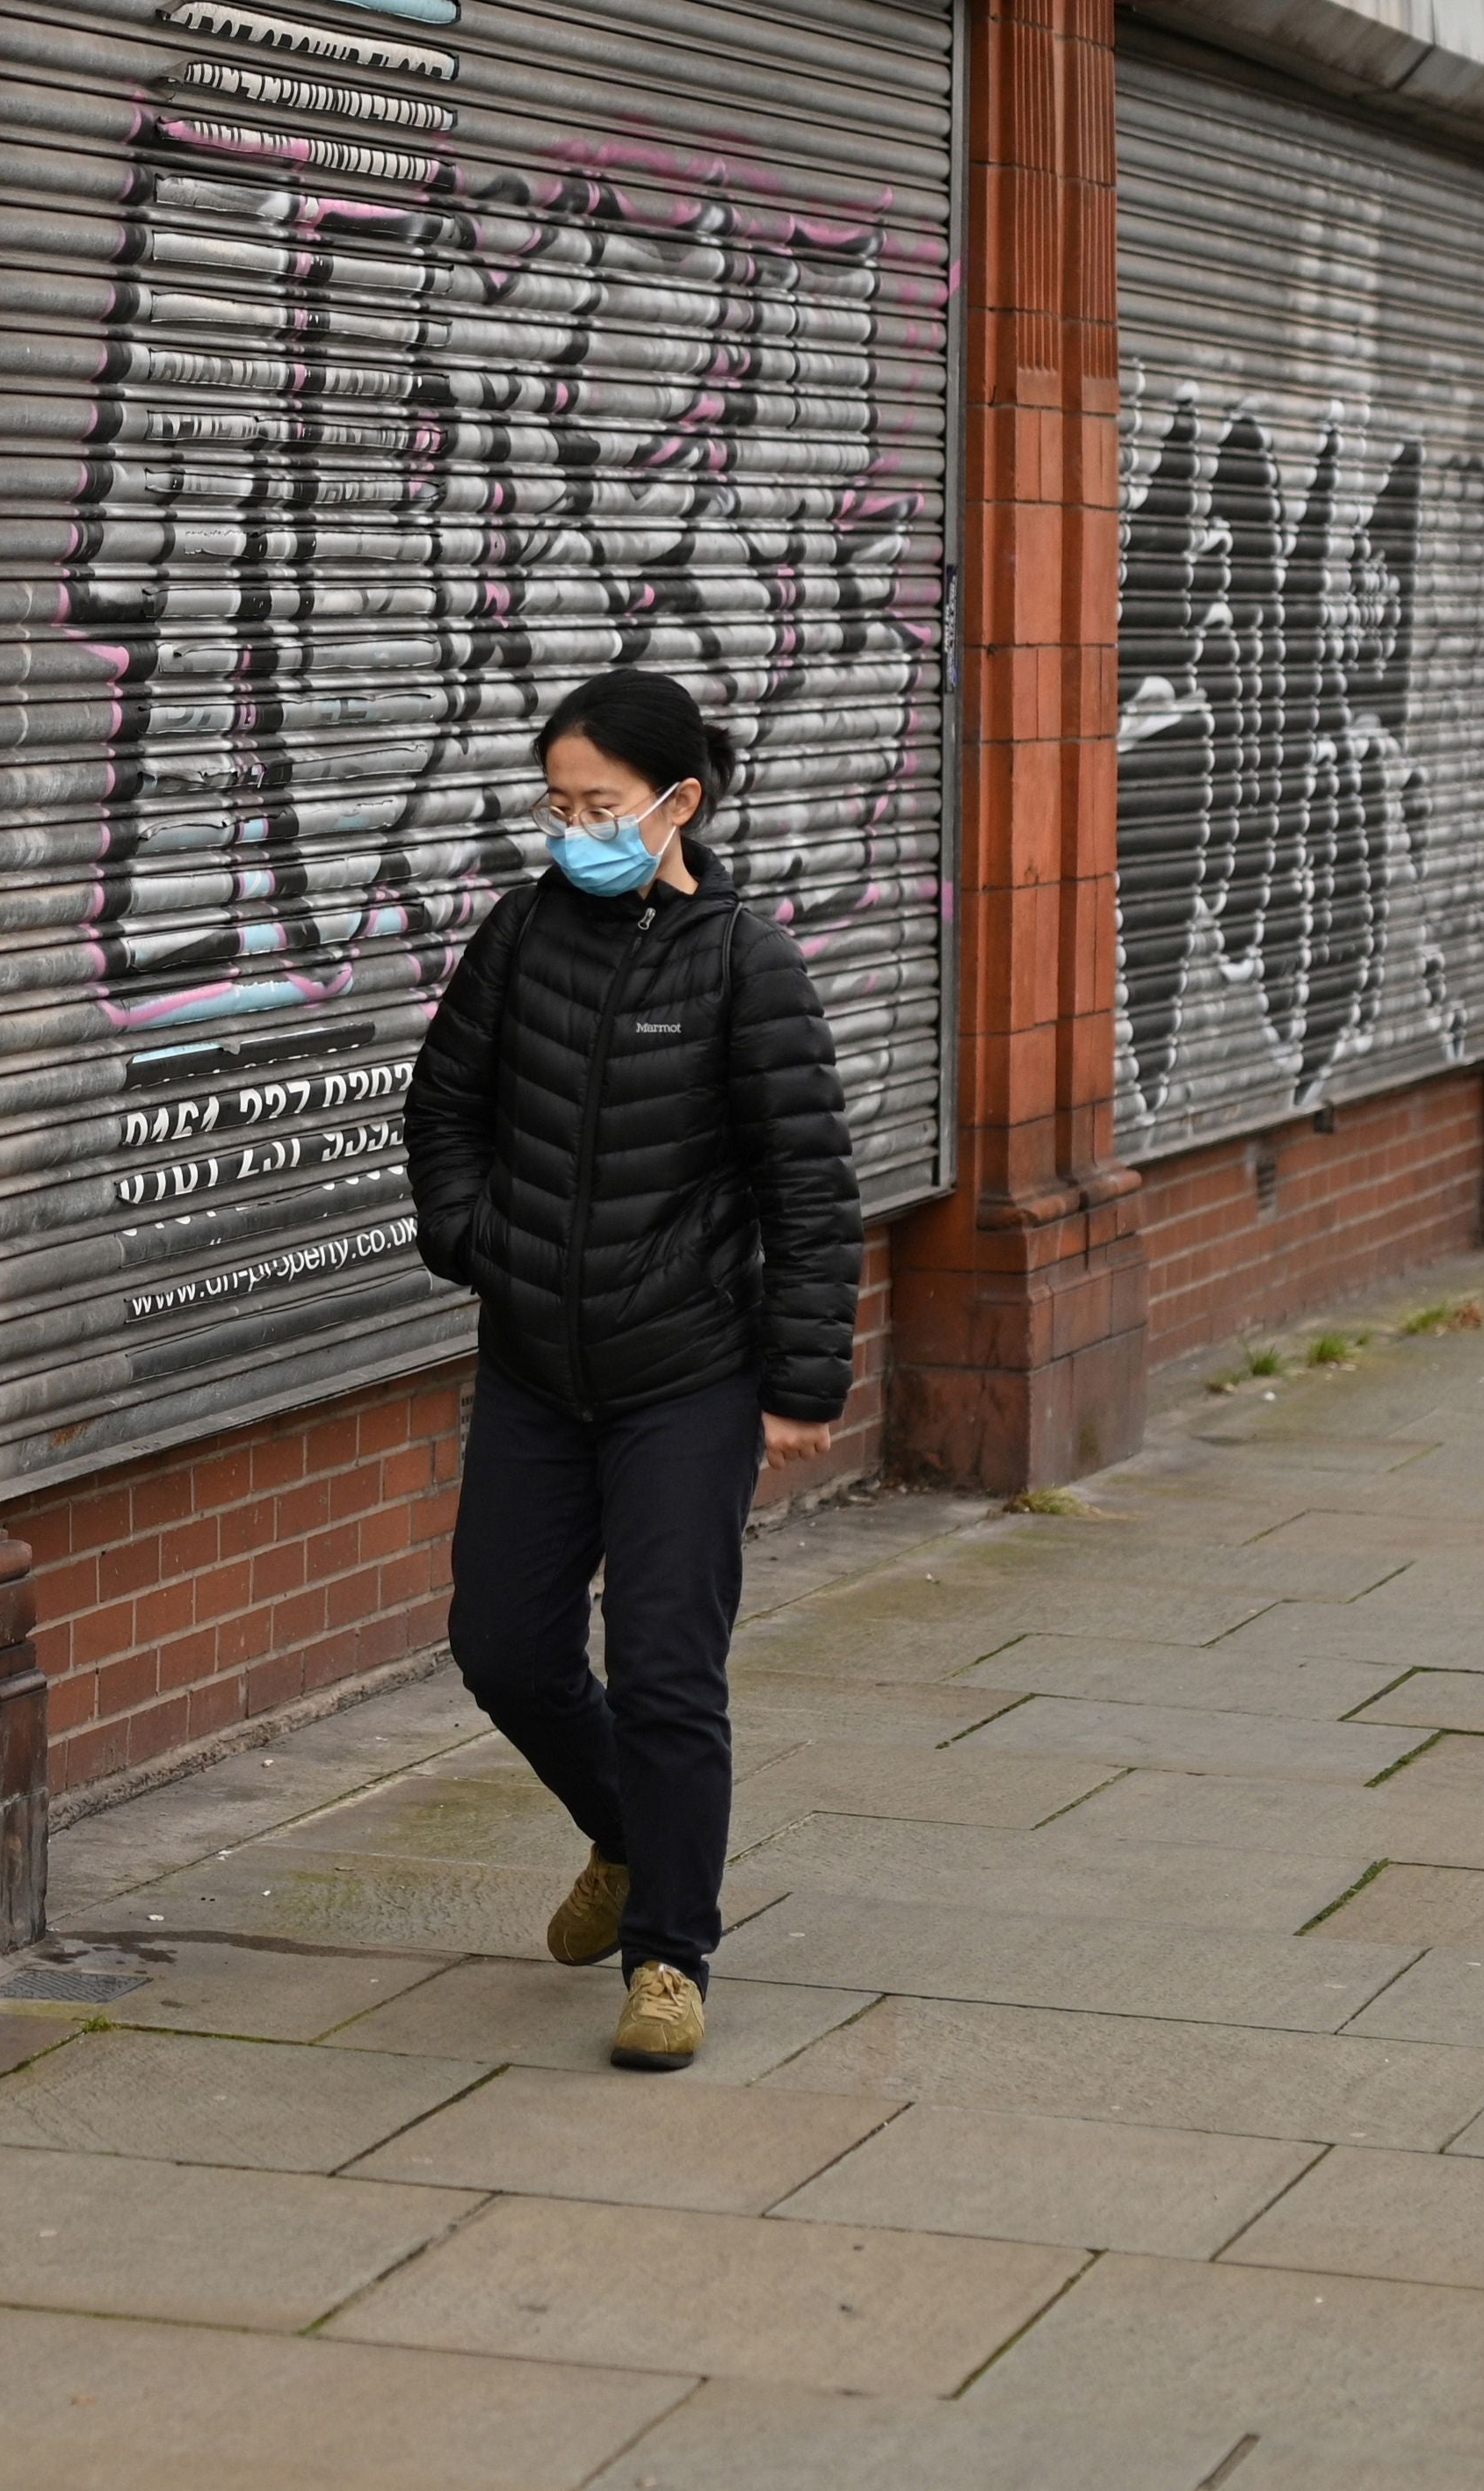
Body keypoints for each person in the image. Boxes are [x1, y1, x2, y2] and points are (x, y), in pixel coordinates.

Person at [402, 669, 862, 2068]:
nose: (571, 828)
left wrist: (799, 1384)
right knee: (503, 1646)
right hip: (538, 1364)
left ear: (677, 803)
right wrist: (479, 1243)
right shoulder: (519, 937)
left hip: (689, 1376)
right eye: (556, 805)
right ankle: (621, 1829)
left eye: (596, 805)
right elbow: (443, 1109)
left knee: (664, 1668)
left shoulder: (744, 963)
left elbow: (810, 1187)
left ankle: (669, 1956)